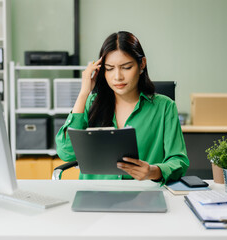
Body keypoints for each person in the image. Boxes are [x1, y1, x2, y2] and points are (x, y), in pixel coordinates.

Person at [55, 31, 189, 184]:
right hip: (95, 196)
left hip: (143, 198)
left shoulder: (164, 107)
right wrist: (84, 92)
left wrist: (153, 171)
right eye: (109, 68)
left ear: (141, 65)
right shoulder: (90, 103)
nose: (117, 76)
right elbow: (66, 153)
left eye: (126, 67)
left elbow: (178, 160)